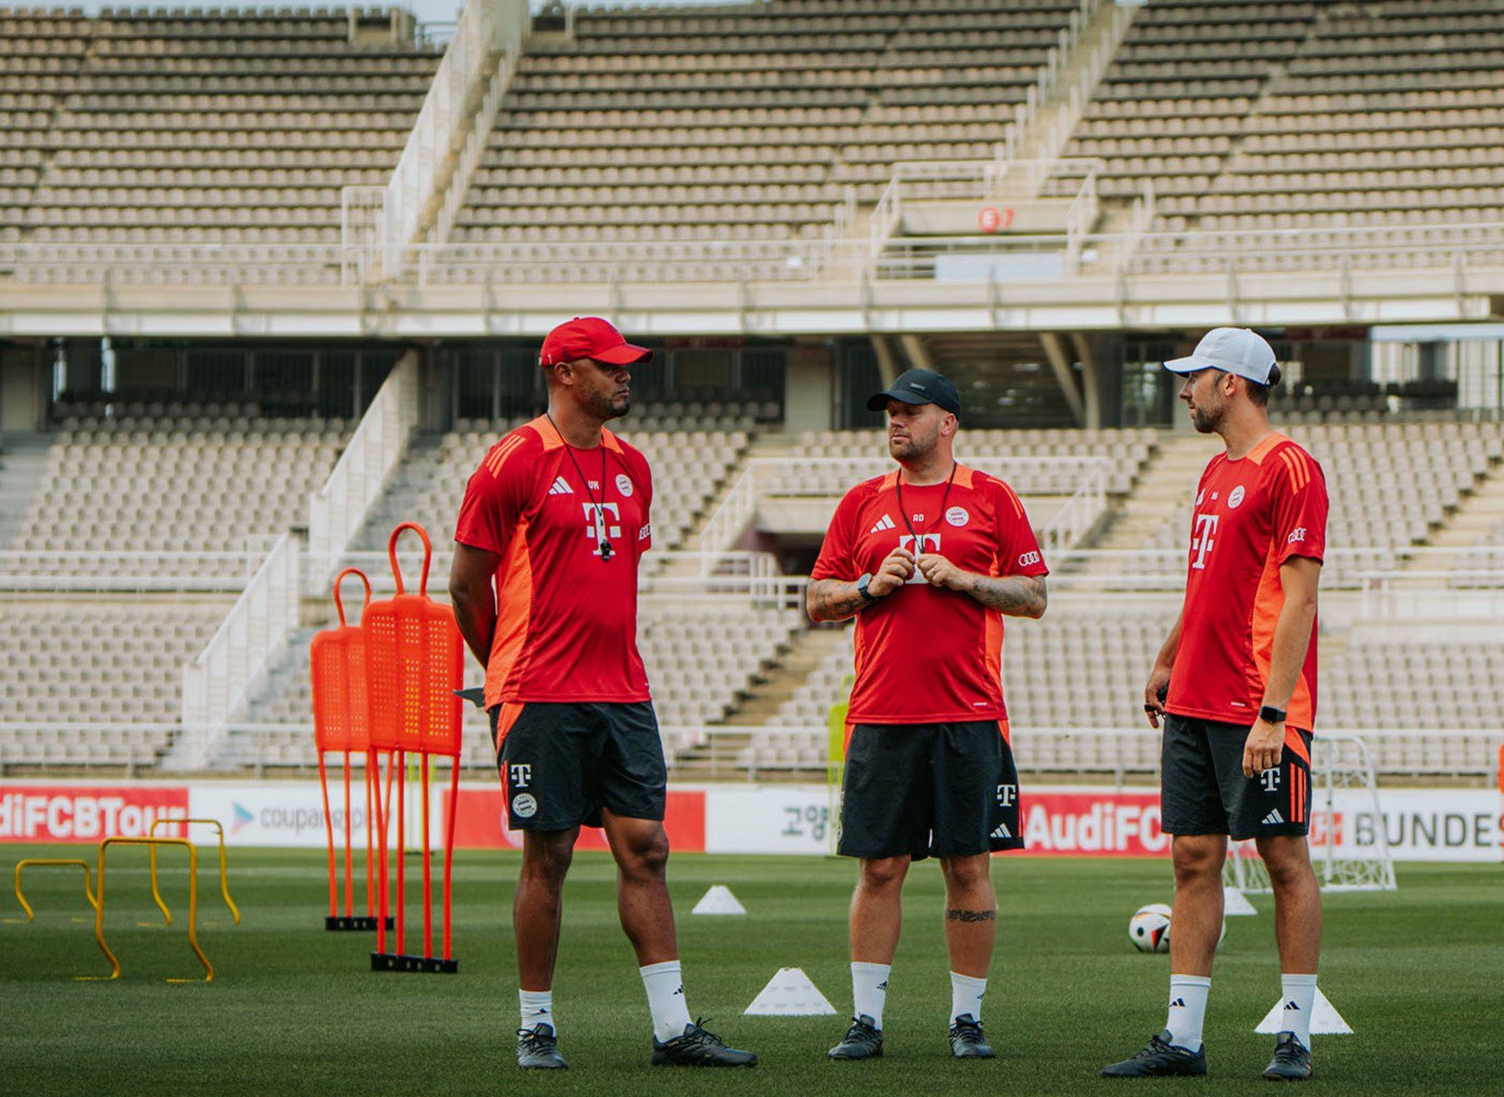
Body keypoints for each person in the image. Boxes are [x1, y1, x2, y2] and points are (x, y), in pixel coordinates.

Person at [449, 316, 756, 1072]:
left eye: (628, 366)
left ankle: (672, 1030)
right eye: (611, 366)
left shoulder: (634, 466)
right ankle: (535, 1027)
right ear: (563, 372)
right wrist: (502, 674)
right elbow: (465, 584)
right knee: (547, 855)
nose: (627, 376)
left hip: (621, 689)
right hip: (538, 692)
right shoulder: (512, 461)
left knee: (647, 851)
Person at [806, 367, 1049, 1063]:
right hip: (881, 715)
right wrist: (865, 586)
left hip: (969, 714)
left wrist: (967, 581)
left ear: (947, 422)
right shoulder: (860, 503)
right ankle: (865, 1021)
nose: (895, 422)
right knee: (879, 868)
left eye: (910, 411)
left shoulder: (993, 497)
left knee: (967, 867)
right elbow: (817, 599)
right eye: (889, 412)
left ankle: (966, 1019)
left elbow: (1033, 597)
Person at [1104, 327, 1327, 1083]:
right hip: (1196, 698)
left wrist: (1274, 712)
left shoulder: (1291, 469)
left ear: (1230, 383)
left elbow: (1299, 601)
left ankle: (1295, 1034)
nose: (1182, 388)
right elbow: (1207, 584)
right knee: (1193, 858)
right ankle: (1183, 1040)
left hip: (1255, 707)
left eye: (1191, 376)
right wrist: (1169, 656)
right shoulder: (1213, 473)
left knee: (1283, 858)